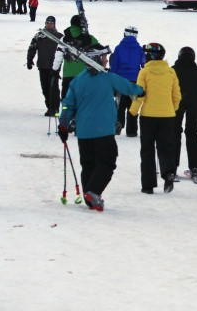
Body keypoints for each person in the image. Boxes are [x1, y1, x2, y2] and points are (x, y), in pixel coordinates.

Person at [58, 44, 143, 212]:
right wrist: (141, 90)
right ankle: (93, 191)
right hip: (103, 130)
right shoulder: (108, 77)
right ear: (96, 59)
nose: (106, 60)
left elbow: (68, 105)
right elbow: (129, 88)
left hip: (83, 132)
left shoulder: (77, 80)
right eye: (104, 57)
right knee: (107, 162)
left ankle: (90, 198)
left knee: (88, 164)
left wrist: (63, 124)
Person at [129, 43, 181, 193]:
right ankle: (168, 173)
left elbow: (140, 95)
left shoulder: (144, 72)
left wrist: (132, 112)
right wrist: (172, 109)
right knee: (165, 148)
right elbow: (176, 96)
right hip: (167, 116)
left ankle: (148, 185)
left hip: (148, 117)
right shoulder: (171, 72)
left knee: (147, 150)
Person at [171, 46, 197, 183]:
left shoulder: (173, 70)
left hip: (177, 102)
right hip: (194, 102)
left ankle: (172, 167)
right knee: (192, 132)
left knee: (175, 132)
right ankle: (194, 167)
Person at [110, 26, 145, 136]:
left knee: (120, 105)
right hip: (134, 82)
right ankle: (132, 130)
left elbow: (114, 65)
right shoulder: (139, 49)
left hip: (121, 82)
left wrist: (113, 80)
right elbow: (144, 64)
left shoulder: (119, 48)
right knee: (133, 104)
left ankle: (118, 124)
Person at [27, 16, 63, 116]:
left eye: (51, 23)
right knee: (45, 88)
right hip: (42, 66)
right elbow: (32, 48)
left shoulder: (59, 37)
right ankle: (49, 107)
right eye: (47, 22)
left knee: (53, 88)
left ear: (54, 24)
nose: (49, 24)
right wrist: (30, 59)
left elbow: (66, 50)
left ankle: (54, 108)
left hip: (54, 67)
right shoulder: (39, 35)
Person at [61, 15, 98, 99]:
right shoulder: (90, 38)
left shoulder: (64, 38)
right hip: (84, 75)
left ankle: (67, 111)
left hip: (68, 74)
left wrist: (55, 70)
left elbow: (58, 55)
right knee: (82, 101)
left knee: (67, 99)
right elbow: (99, 51)